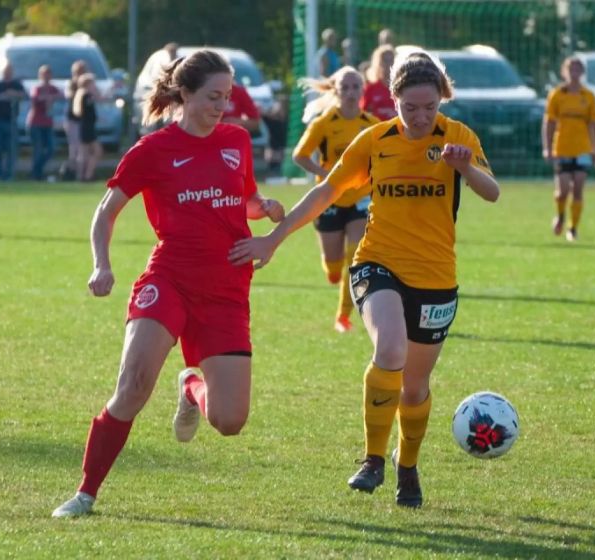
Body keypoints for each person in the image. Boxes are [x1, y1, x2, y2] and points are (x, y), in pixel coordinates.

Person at [229, 52, 499, 508]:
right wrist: (275, 237)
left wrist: (465, 167)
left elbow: (491, 191)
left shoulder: (458, 137)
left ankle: (406, 467)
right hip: (378, 263)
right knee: (389, 349)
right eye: (408, 107)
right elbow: (326, 191)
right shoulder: (375, 140)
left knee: (414, 387)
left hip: (436, 276)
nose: (418, 116)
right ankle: (373, 458)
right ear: (392, 99)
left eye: (428, 107)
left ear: (440, 101)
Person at [51, 50, 285, 518]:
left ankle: (191, 385)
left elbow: (243, 199)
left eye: (226, 96)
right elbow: (106, 211)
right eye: (211, 96)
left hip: (226, 290)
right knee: (134, 386)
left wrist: (265, 208)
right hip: (170, 280)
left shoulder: (237, 140)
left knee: (230, 421)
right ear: (184, 94)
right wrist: (102, 264)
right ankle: (85, 494)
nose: (221, 106)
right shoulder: (152, 150)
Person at [293, 66, 379, 333]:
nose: (352, 92)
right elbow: (300, 155)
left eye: (356, 87)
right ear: (336, 90)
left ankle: (343, 315)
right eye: (346, 87)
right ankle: (332, 270)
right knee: (333, 264)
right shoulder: (323, 123)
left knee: (355, 255)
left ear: (362, 90)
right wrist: (326, 174)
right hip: (329, 198)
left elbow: (383, 157)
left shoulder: (373, 124)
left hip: (360, 199)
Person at [542, 56, 595, 242]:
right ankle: (560, 215)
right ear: (564, 72)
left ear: (582, 73)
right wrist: (547, 147)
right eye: (571, 70)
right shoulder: (557, 95)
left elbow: (594, 124)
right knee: (563, 191)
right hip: (562, 148)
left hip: (583, 149)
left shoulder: (588, 96)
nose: (574, 74)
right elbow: (549, 122)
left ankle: (573, 228)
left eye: (578, 70)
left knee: (578, 188)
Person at [0, 63, 26, 181]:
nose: (7, 73)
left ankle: (9, 174)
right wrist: (1, 96)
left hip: (11, 121)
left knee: (11, 149)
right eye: (5, 71)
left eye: (9, 70)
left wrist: (14, 94)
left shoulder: (17, 85)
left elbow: (25, 96)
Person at [27, 64, 63, 180]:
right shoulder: (37, 88)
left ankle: (37, 170)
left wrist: (52, 97)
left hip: (48, 123)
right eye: (44, 74)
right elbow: (34, 98)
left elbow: (62, 95)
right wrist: (46, 97)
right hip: (36, 122)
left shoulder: (52, 88)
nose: (46, 76)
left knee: (51, 148)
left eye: (48, 74)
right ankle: (35, 174)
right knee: (38, 149)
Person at [73, 73, 102, 181]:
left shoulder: (82, 95)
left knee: (83, 153)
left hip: (85, 126)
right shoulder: (86, 95)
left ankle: (81, 175)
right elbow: (99, 98)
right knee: (97, 151)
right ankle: (87, 175)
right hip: (88, 128)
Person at [62, 60, 88, 180]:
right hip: (72, 120)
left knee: (83, 148)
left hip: (83, 120)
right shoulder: (72, 84)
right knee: (75, 148)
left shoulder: (87, 84)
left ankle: (80, 173)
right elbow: (69, 95)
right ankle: (72, 173)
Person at [361, 45, 397, 121]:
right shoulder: (370, 88)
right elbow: (362, 114)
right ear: (378, 63)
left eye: (391, 60)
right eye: (385, 60)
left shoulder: (401, 88)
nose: (388, 64)